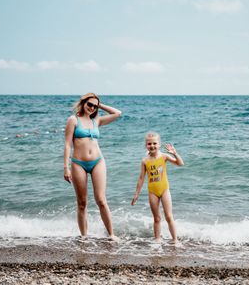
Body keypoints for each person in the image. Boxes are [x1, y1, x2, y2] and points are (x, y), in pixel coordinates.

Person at [64, 93, 121, 239]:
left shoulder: (97, 120)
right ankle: (84, 237)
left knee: (101, 200)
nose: (92, 107)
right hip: (78, 163)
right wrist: (66, 167)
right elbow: (67, 144)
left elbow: (117, 113)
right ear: (83, 103)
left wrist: (99, 104)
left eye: (95, 106)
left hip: (98, 162)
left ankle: (112, 235)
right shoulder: (73, 120)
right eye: (89, 104)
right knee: (82, 203)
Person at [131, 132, 184, 242]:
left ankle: (175, 240)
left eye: (155, 143)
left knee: (169, 216)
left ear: (159, 144)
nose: (152, 146)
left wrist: (175, 153)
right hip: (152, 192)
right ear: (146, 145)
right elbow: (141, 178)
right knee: (157, 218)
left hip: (164, 190)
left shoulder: (164, 156)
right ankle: (157, 240)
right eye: (149, 144)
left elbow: (180, 164)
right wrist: (137, 194)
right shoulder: (145, 161)